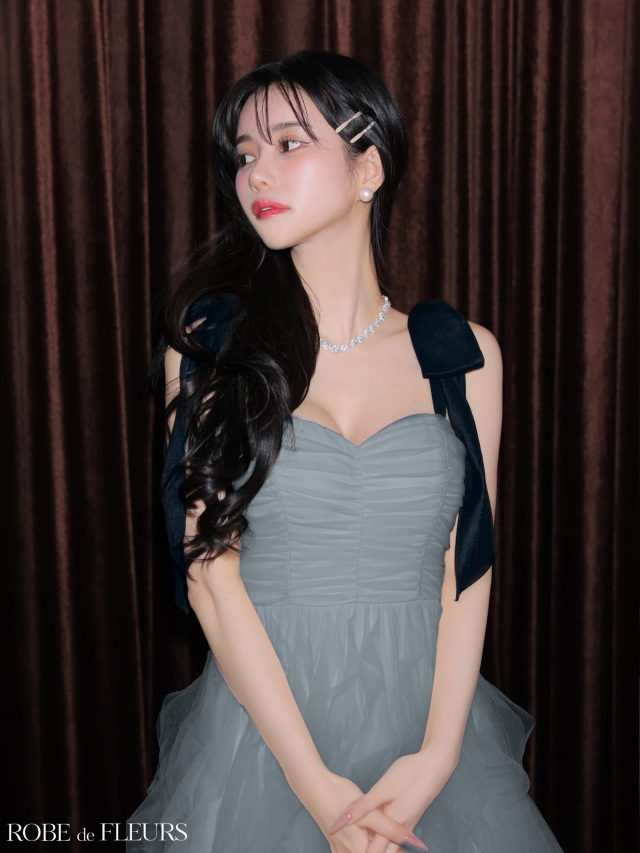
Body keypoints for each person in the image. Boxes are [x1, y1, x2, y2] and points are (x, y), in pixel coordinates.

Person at [126, 50, 564, 852]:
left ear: (369, 167)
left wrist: (436, 758)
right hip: (267, 735)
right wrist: (320, 789)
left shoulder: (462, 354)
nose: (257, 173)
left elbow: (467, 565)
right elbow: (210, 577)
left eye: (289, 144)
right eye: (244, 155)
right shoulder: (211, 347)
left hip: (426, 734)